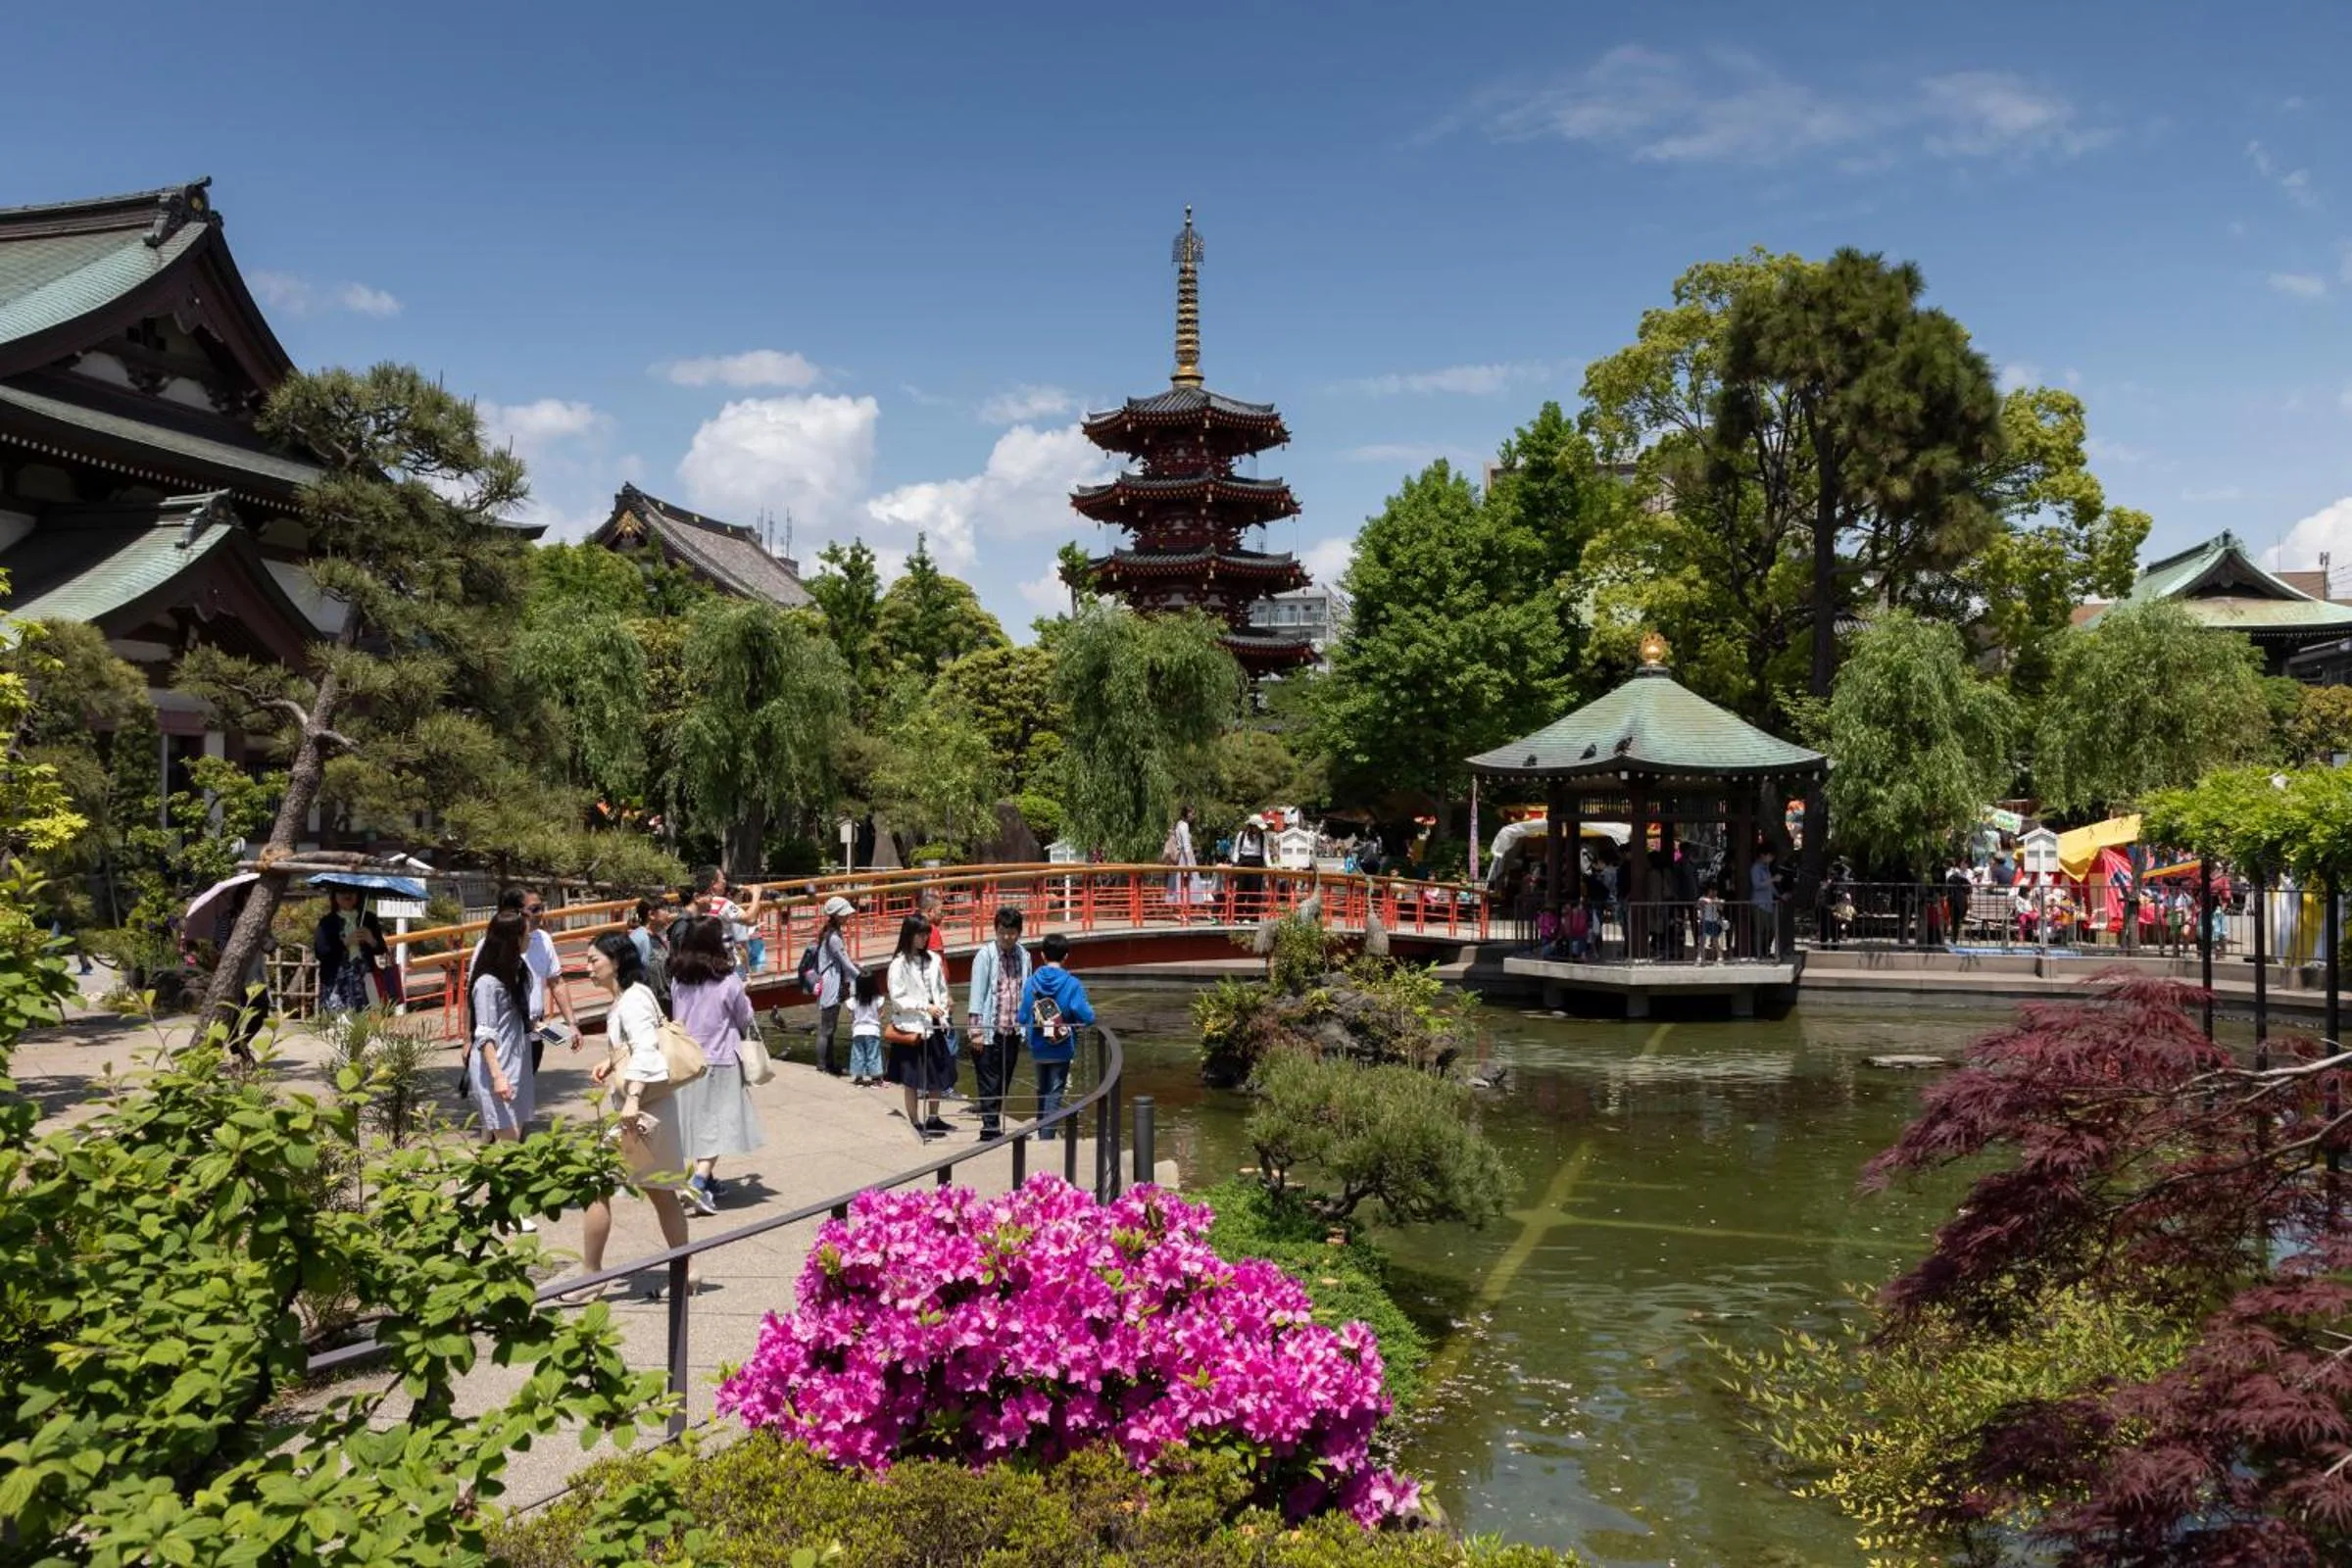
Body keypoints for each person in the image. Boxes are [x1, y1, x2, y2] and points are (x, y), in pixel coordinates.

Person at [567, 933, 691, 1301]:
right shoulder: (633, 995)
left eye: (594, 960)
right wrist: (612, 1058)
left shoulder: (631, 1000)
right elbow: (639, 1043)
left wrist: (633, 1098)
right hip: (655, 1111)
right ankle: (686, 1272)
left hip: (641, 1115)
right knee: (660, 1191)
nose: (589, 967)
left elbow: (648, 1049)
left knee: (597, 1182)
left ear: (615, 962)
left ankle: (590, 1276)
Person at [665, 914, 765, 1215]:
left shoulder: (678, 979)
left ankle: (703, 1181)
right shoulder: (727, 980)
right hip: (721, 1057)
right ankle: (699, 1180)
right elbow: (744, 1017)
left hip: (686, 1059)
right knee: (718, 1124)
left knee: (696, 1122)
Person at [465, 909, 535, 1143]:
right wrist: (498, 1076)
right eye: (526, 934)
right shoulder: (487, 983)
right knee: (509, 1142)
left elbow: (517, 1018)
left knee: (511, 1141)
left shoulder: (518, 972)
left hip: (517, 1064)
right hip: (496, 1067)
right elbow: (484, 1033)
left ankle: (478, 1177)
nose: (530, 938)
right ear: (513, 939)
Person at [965, 906, 1031, 1140]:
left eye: (1012, 932)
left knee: (1004, 1077)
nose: (1007, 937)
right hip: (990, 1029)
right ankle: (989, 1128)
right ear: (996, 930)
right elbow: (977, 994)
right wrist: (976, 1031)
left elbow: (1026, 991)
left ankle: (993, 1123)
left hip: (1012, 1029)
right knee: (988, 1078)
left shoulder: (1024, 956)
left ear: (1019, 932)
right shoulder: (985, 956)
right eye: (1003, 931)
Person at [1021, 932, 1096, 1140]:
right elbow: (1086, 1015)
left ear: (1042, 955)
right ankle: (1047, 1137)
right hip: (1061, 1045)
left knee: (1042, 1088)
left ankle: (1041, 1129)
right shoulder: (1072, 984)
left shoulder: (1031, 982)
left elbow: (1022, 1015)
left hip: (1037, 1044)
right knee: (1055, 1091)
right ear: (1066, 957)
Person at [886, 914, 953, 1142]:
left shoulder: (933, 959)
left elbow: (941, 989)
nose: (925, 938)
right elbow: (898, 998)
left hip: (934, 1022)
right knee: (911, 1077)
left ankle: (934, 1116)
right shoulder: (898, 964)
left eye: (927, 934)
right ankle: (915, 1120)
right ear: (909, 935)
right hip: (912, 1025)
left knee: (938, 1072)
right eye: (921, 934)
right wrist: (925, 1007)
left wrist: (942, 1008)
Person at [314, 888, 386, 1014]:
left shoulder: (369, 919)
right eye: (342, 891)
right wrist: (345, 942)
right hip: (336, 979)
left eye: (352, 892)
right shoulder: (327, 922)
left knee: (365, 1020)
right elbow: (321, 952)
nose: (347, 895)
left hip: (364, 978)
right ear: (334, 896)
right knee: (338, 1023)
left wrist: (371, 939)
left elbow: (381, 949)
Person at [811, 896, 858, 1076]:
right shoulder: (834, 938)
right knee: (827, 1027)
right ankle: (823, 1065)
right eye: (845, 914)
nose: (848, 917)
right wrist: (859, 976)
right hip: (831, 984)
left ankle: (829, 1063)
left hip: (832, 982)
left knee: (830, 1026)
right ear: (837, 915)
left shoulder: (831, 933)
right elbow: (844, 961)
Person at [696, 865, 766, 974]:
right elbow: (750, 919)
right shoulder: (721, 903)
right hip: (725, 964)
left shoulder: (694, 903)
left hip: (704, 963)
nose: (725, 882)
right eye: (722, 879)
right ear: (713, 884)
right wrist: (756, 894)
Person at [629, 896, 676, 1010]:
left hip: (662, 1002)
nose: (668, 914)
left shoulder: (656, 937)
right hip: (648, 1005)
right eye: (664, 909)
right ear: (651, 914)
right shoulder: (639, 938)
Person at [847, 967, 885, 1086]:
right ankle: (876, 1078)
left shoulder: (854, 1001)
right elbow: (881, 1014)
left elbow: (851, 1015)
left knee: (858, 1054)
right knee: (873, 1054)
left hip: (858, 1030)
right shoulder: (878, 999)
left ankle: (858, 1077)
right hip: (873, 1030)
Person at [1165, 805, 1199, 921]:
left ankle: (1180, 911)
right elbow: (1186, 845)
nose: (1193, 816)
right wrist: (1190, 862)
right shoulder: (1184, 826)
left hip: (1181, 858)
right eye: (1191, 813)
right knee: (1185, 883)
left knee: (1179, 883)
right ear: (1186, 813)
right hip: (1184, 858)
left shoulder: (1179, 824)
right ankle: (1182, 911)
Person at [1749, 847, 1779, 959]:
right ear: (1763, 855)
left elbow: (1770, 887)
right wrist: (1772, 880)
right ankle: (1758, 954)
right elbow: (1757, 885)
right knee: (1760, 930)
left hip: (1768, 903)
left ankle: (1766, 951)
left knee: (1770, 929)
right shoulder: (1756, 868)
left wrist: (1780, 895)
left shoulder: (1766, 869)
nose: (1771, 859)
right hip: (1759, 903)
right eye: (1770, 856)